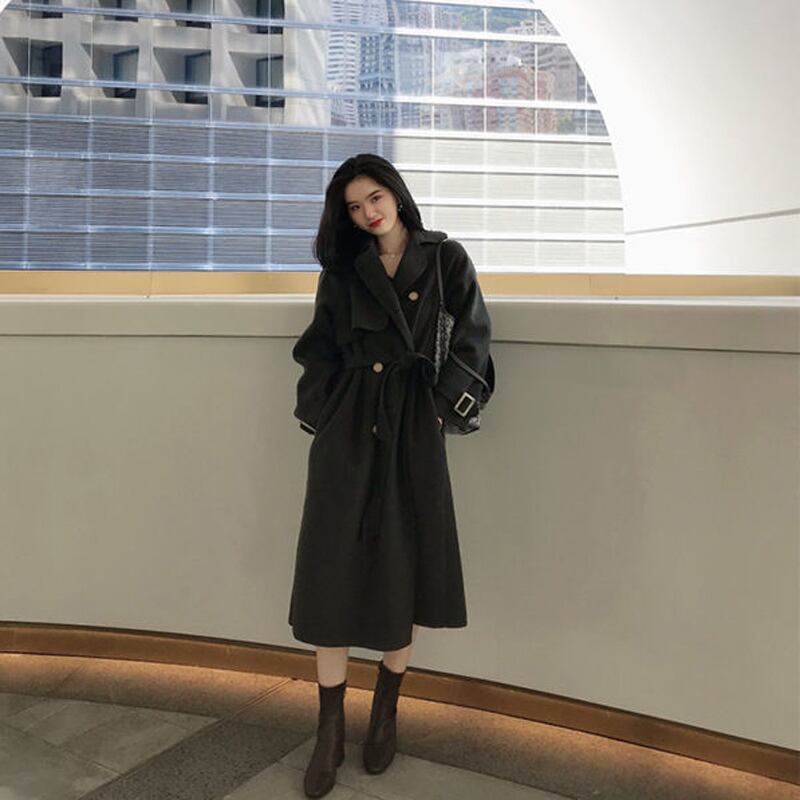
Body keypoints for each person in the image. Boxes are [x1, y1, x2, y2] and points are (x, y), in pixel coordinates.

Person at [289, 153, 495, 798]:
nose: (368, 213)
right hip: (349, 425)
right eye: (354, 207)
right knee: (330, 567)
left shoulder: (444, 258)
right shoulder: (342, 271)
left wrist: (437, 411)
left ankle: (385, 710)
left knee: (406, 562)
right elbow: (318, 348)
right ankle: (329, 729)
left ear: (397, 195)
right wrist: (325, 411)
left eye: (375, 198)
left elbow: (474, 339)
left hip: (412, 423)